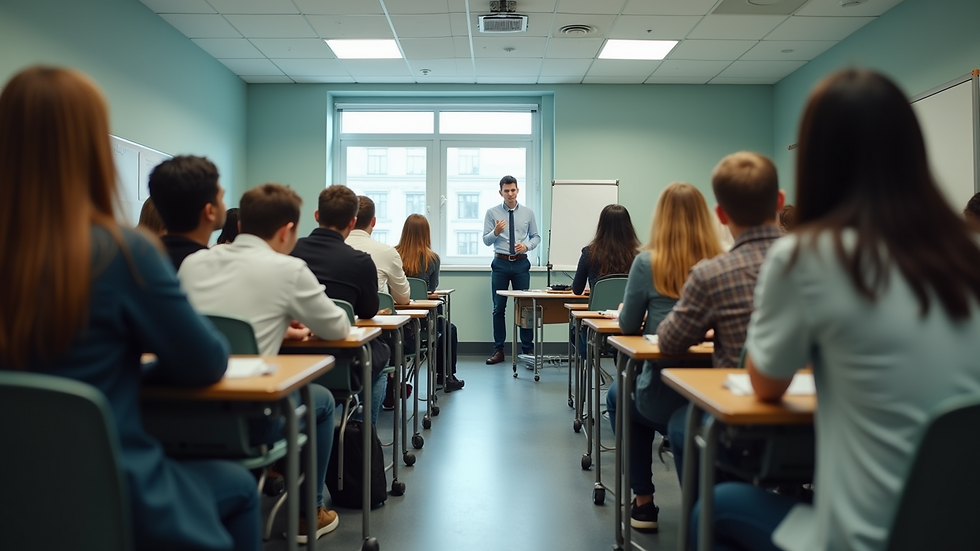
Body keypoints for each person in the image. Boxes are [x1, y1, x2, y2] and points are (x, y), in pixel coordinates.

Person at [694, 68, 980, 551]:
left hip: (863, 537)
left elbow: (765, 383)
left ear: (816, 158)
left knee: (713, 507)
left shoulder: (807, 256)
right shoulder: (966, 252)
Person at [0, 66, 259, 550]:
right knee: (241, 487)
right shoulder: (121, 253)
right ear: (92, 151)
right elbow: (205, 362)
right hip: (102, 484)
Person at [177, 183, 351, 544]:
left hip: (184, 415)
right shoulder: (288, 269)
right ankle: (309, 513)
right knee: (319, 398)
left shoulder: (194, 262)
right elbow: (336, 327)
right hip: (247, 422)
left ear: (240, 225)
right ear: (288, 231)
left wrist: (275, 326)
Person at [659, 151, 785, 482]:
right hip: (819, 423)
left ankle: (705, 523)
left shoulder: (712, 273)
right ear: (779, 200)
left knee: (679, 424)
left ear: (721, 214)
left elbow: (670, 341)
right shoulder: (824, 263)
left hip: (740, 425)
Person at [604, 183, 723, 532]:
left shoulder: (648, 262)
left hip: (663, 390)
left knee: (617, 396)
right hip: (713, 390)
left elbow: (626, 327)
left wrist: (631, 311)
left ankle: (644, 503)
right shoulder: (721, 262)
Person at [290, 185, 391, 425]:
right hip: (341, 361)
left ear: (316, 215)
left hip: (294, 354)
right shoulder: (360, 262)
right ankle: (364, 430)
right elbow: (368, 311)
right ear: (353, 221)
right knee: (381, 354)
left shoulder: (290, 251)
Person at [395, 213, 463, 391]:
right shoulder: (432, 259)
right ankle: (445, 376)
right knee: (449, 329)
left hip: (395, 319)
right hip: (423, 321)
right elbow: (432, 287)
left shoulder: (393, 254)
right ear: (426, 233)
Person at [483, 175, 540, 365]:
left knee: (525, 306)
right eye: (506, 190)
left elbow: (536, 237)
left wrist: (527, 247)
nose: (510, 193)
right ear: (501, 192)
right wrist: (496, 232)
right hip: (500, 263)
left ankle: (528, 349)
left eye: (513, 190)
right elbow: (486, 240)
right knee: (498, 308)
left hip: (521, 263)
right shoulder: (492, 213)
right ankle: (499, 350)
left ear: (517, 190)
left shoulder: (528, 213)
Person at [148, 155, 226, 270]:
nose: (224, 204)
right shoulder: (216, 269)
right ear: (210, 211)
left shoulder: (143, 260)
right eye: (221, 197)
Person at [346, 195, 411, 305]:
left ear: (350, 220)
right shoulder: (388, 252)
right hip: (376, 319)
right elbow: (403, 299)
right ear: (373, 222)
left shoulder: (329, 249)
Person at [571, 204, 640, 295]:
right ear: (628, 226)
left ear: (601, 226)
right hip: (629, 308)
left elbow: (577, 289)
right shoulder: (639, 255)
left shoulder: (589, 253)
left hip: (598, 309)